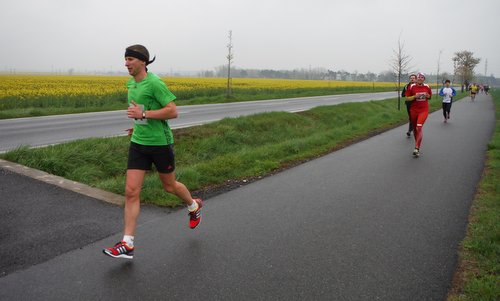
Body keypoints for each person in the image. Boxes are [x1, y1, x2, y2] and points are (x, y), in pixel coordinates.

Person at [103, 45, 203, 259]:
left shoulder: (155, 83)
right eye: (125, 59)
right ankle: (127, 243)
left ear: (143, 61)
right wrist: (137, 124)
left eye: (130, 59)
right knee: (131, 192)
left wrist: (144, 113)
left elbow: (173, 111)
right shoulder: (131, 84)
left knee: (169, 186)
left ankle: (193, 205)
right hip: (139, 143)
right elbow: (140, 114)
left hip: (160, 144)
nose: (126, 63)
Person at [405, 72, 432, 157]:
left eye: (422, 77)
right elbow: (407, 97)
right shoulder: (412, 86)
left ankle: (416, 148)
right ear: (417, 78)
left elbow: (430, 96)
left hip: (424, 110)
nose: (420, 78)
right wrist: (414, 97)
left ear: (424, 79)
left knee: (419, 127)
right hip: (414, 110)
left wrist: (427, 96)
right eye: (419, 77)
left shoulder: (427, 86)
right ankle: (417, 146)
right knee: (415, 129)